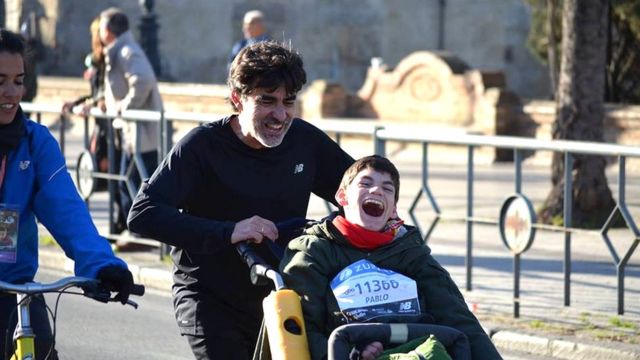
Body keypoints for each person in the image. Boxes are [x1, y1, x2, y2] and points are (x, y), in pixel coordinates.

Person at [127, 41, 354, 359]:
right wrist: (229, 230)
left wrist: (379, 214)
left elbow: (356, 189)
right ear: (237, 98)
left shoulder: (305, 140)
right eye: (267, 101)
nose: (280, 115)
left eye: (288, 102)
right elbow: (143, 213)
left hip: (282, 292)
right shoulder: (202, 146)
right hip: (209, 297)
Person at [280, 155, 503, 360]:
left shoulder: (410, 252)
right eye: (365, 184)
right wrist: (352, 353)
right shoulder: (314, 251)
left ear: (393, 208)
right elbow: (305, 329)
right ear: (342, 197)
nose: (377, 190)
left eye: (387, 189)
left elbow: (459, 318)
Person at [0, 28, 135, 359]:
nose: (11, 92)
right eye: (0, 80)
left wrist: (102, 265)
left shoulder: (36, 143)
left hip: (15, 292)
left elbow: (67, 209)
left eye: (18, 80)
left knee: (40, 348)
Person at [99, 7, 162, 236]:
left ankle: (139, 233)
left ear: (107, 31)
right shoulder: (121, 49)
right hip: (131, 132)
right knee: (127, 181)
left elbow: (142, 81)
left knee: (134, 182)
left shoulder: (126, 51)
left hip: (140, 132)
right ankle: (134, 231)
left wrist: (123, 108)